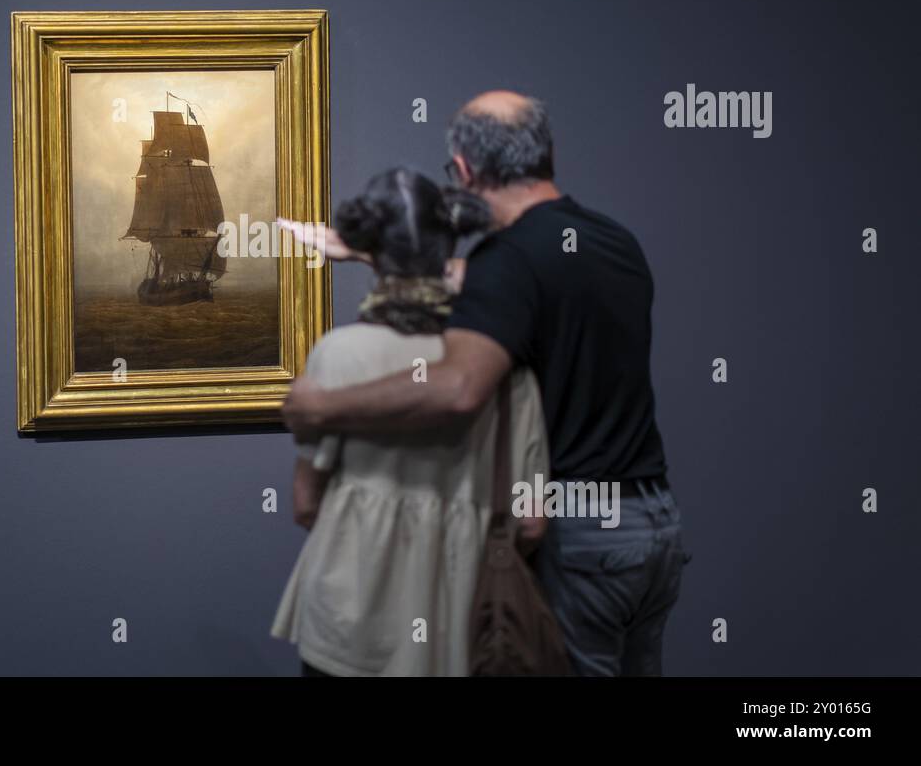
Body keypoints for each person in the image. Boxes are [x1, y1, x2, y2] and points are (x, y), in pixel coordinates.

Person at [282, 92, 688, 676]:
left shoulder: (509, 261)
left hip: (582, 543)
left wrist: (321, 406)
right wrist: (379, 254)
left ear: (466, 171)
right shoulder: (610, 239)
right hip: (652, 529)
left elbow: (458, 388)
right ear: (546, 153)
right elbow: (497, 284)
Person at [270, 168, 549, 676]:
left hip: (349, 621)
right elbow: (531, 520)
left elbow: (305, 503)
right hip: (465, 623)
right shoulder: (506, 366)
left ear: (368, 249)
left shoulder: (339, 354)